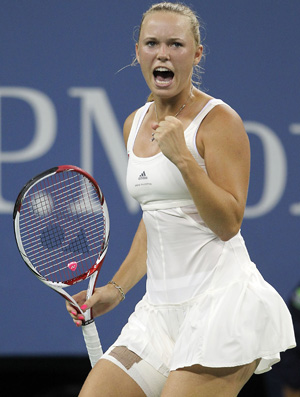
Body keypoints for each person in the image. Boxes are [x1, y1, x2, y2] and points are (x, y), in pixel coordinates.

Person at [66, 2, 296, 396]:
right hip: (157, 315)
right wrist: (115, 291)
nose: (163, 54)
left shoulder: (220, 121)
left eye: (176, 44)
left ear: (196, 53)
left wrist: (184, 160)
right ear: (138, 52)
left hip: (222, 308)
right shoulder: (133, 125)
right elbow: (155, 218)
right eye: (152, 43)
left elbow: (228, 223)